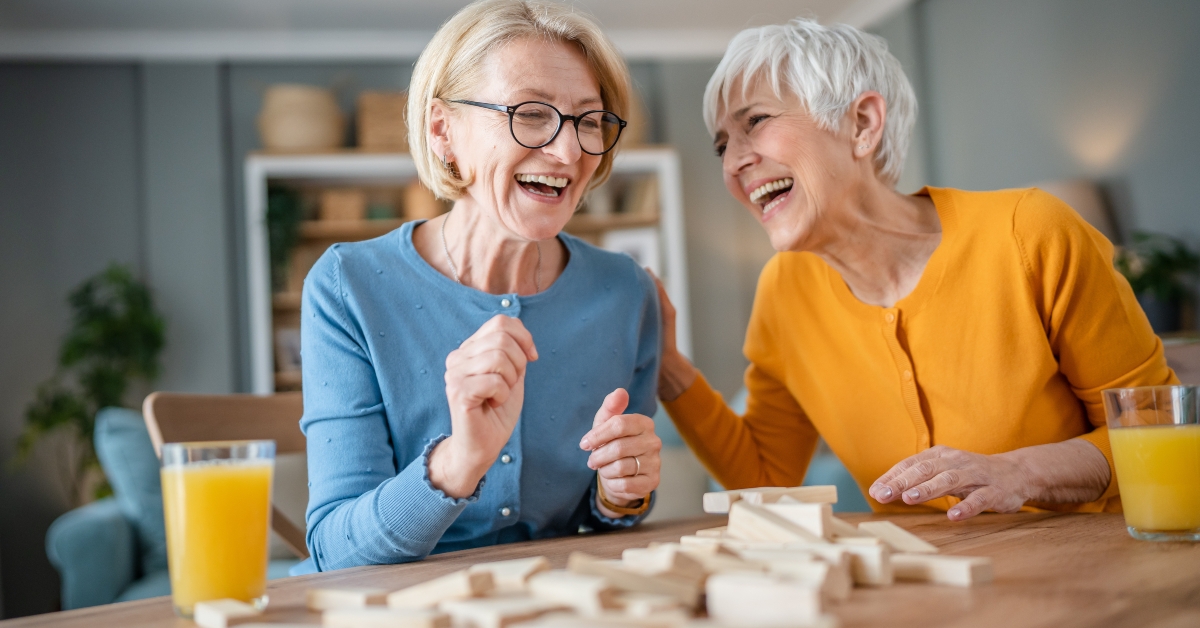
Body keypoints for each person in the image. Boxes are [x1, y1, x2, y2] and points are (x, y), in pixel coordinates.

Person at [654, 18, 1176, 521]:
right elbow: (766, 477)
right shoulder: (783, 290)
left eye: (756, 122)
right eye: (722, 146)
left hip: (1088, 565)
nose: (733, 163)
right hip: (920, 576)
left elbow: (1154, 428)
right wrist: (669, 366)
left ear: (862, 124)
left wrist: (1021, 473)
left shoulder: (1030, 234)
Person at [294, 0, 662, 574]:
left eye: (589, 121)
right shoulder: (349, 287)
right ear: (443, 130)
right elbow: (335, 552)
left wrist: (620, 494)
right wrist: (459, 460)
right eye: (531, 113)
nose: (568, 152)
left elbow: (608, 513)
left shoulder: (626, 291)